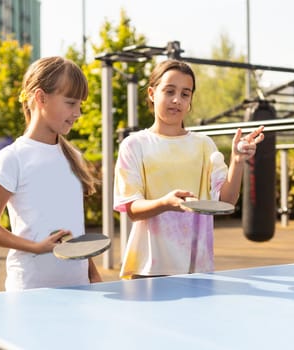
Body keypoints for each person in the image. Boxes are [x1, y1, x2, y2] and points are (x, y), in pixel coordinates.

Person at [113, 59, 265, 279]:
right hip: (148, 269)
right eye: (169, 91)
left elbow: (227, 201)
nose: (177, 100)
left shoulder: (204, 145)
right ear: (152, 93)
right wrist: (166, 203)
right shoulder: (134, 145)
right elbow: (132, 209)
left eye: (185, 94)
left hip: (197, 268)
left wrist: (238, 160)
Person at [0, 56, 102, 291]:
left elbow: (74, 228)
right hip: (30, 289)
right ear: (41, 98)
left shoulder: (72, 155)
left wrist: (93, 275)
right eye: (71, 103)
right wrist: (35, 247)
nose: (78, 112)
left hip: (79, 287)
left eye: (80, 105)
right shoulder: (13, 157)